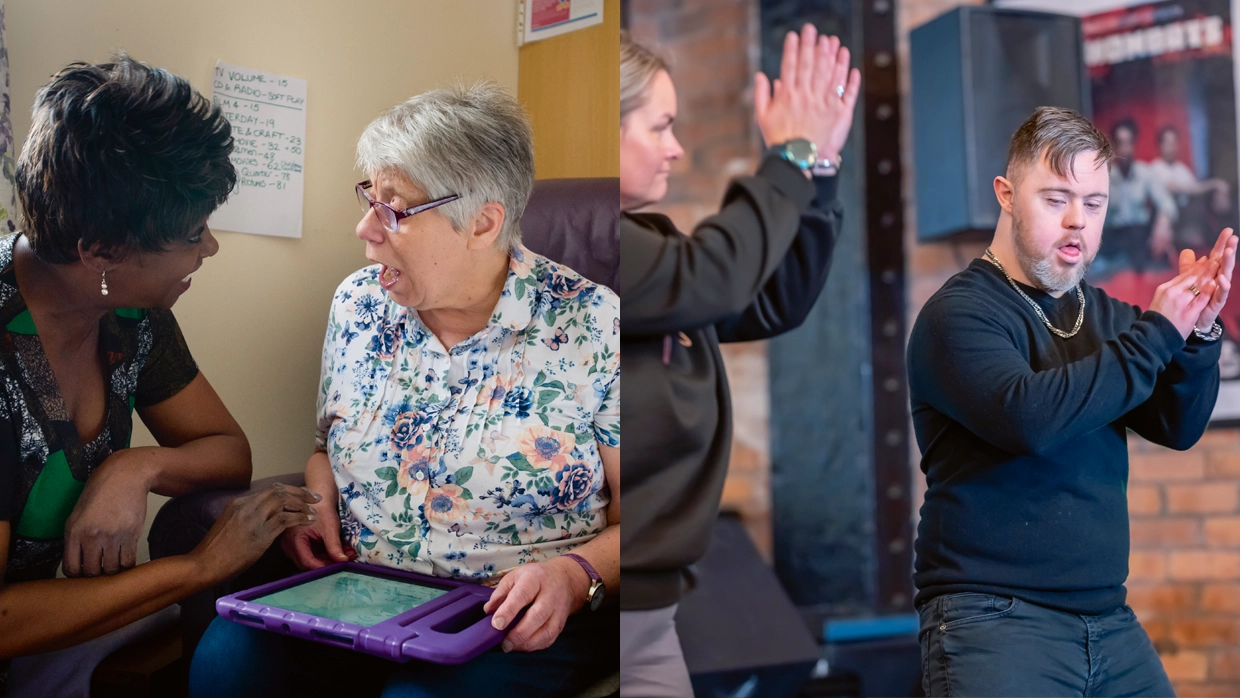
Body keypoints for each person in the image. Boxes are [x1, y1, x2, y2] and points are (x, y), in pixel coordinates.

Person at [189, 81, 621, 698]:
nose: (365, 228)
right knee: (226, 662)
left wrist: (575, 578)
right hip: (365, 594)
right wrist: (318, 504)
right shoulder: (358, 304)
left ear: (482, 222)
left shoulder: (593, 324)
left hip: (505, 614)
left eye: (394, 207)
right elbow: (326, 445)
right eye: (369, 195)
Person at [0, 56, 319, 693]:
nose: (211, 247)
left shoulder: (128, 314)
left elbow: (228, 452)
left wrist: (134, 467)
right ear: (100, 250)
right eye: (192, 233)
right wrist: (200, 566)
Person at [908, 106, 1236, 696]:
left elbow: (1177, 424)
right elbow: (1029, 418)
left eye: (1094, 203)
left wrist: (1201, 335)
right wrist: (1161, 332)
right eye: (1056, 199)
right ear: (1006, 194)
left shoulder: (1106, 314)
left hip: (1108, 619)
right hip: (993, 619)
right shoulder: (958, 315)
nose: (1077, 223)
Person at [619, 24, 859, 697]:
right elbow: (714, 278)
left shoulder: (649, 245)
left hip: (651, 610)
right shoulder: (595, 245)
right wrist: (787, 154)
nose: (677, 148)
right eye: (660, 126)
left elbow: (773, 298)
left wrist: (819, 171)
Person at [1103, 120, 1176, 273]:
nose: (1125, 149)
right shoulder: (1104, 176)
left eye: (1129, 143)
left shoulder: (1145, 173)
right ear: (1114, 146)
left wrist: (1163, 224)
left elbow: (1166, 203)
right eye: (1121, 143)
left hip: (1139, 238)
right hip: (1113, 238)